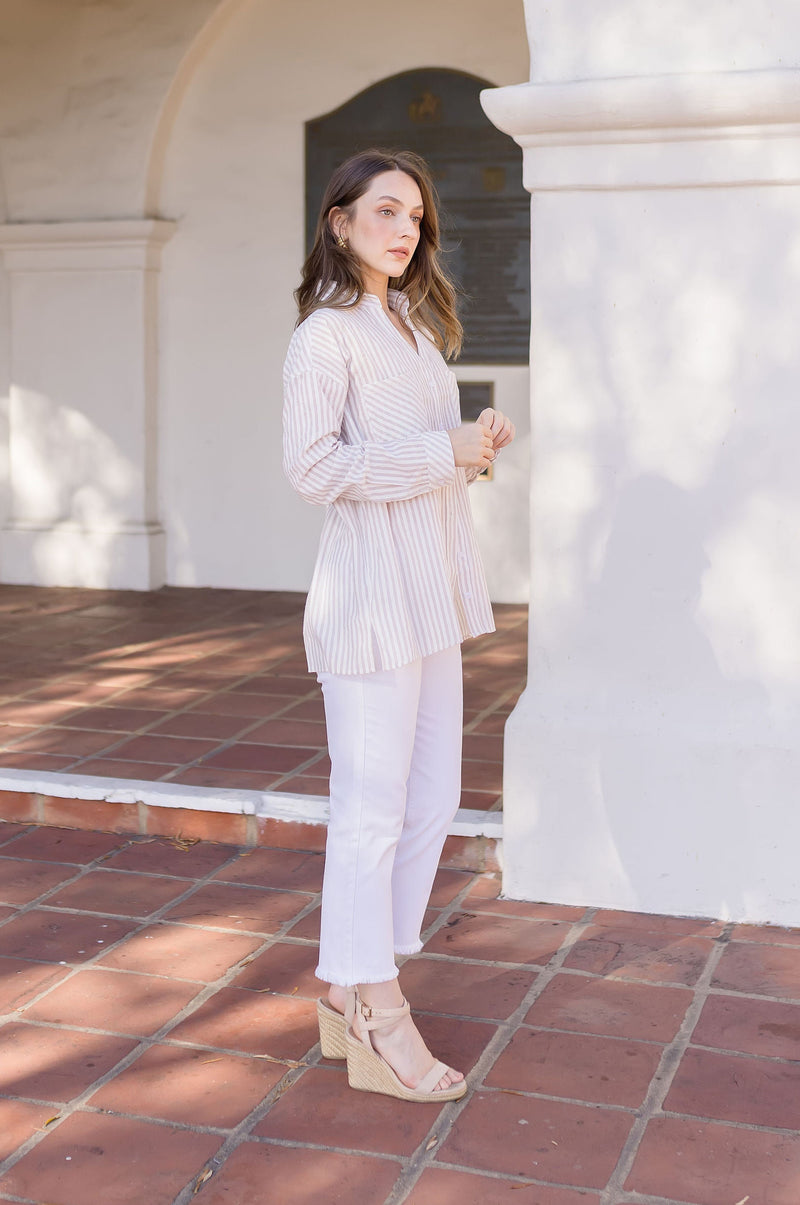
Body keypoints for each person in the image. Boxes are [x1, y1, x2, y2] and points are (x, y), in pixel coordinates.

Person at [282, 148, 515, 1102]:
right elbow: (312, 468)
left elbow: (425, 458)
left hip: (431, 597)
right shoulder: (325, 337)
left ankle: (351, 978)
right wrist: (438, 451)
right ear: (340, 221)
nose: (404, 228)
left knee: (431, 798)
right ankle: (376, 1005)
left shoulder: (412, 329)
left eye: (415, 215)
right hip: (370, 600)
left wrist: (474, 451)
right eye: (384, 210)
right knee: (371, 808)